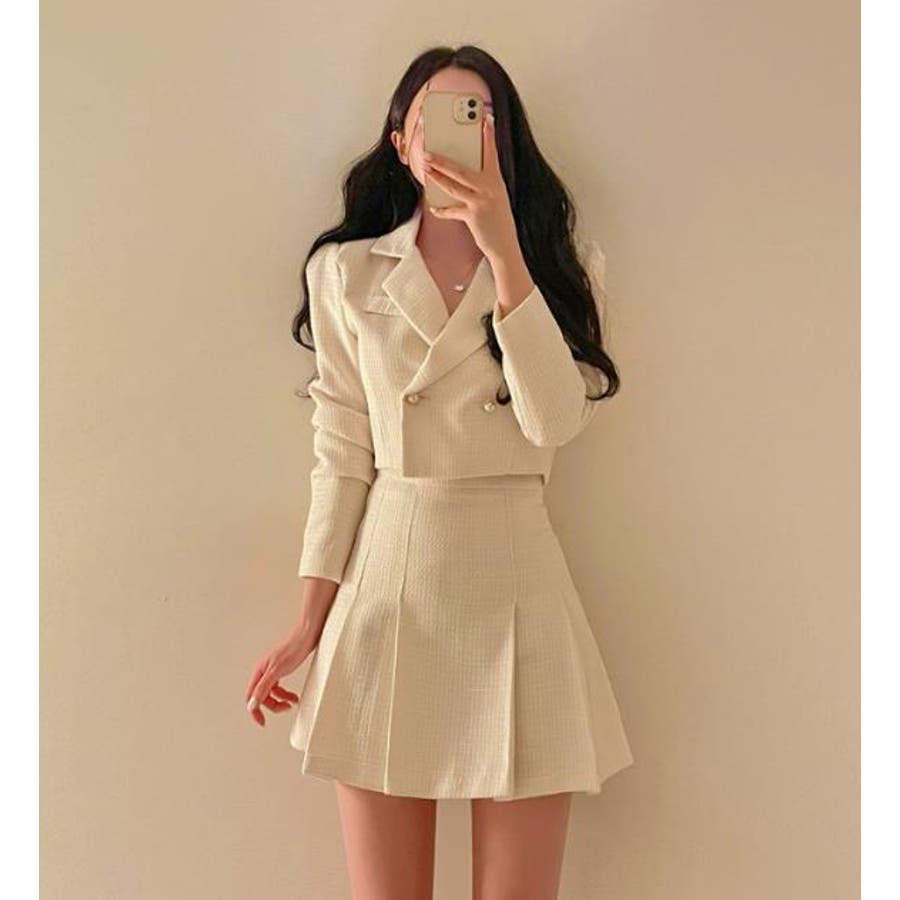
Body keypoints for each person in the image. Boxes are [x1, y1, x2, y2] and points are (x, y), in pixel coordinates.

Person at [245, 44, 634, 900]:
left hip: (517, 583)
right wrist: (309, 619)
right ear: (403, 141)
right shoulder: (345, 272)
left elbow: (553, 423)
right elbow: (342, 452)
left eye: (480, 116)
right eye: (438, 116)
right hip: (390, 585)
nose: (460, 134)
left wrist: (506, 253)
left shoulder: (561, 269)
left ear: (504, 142)